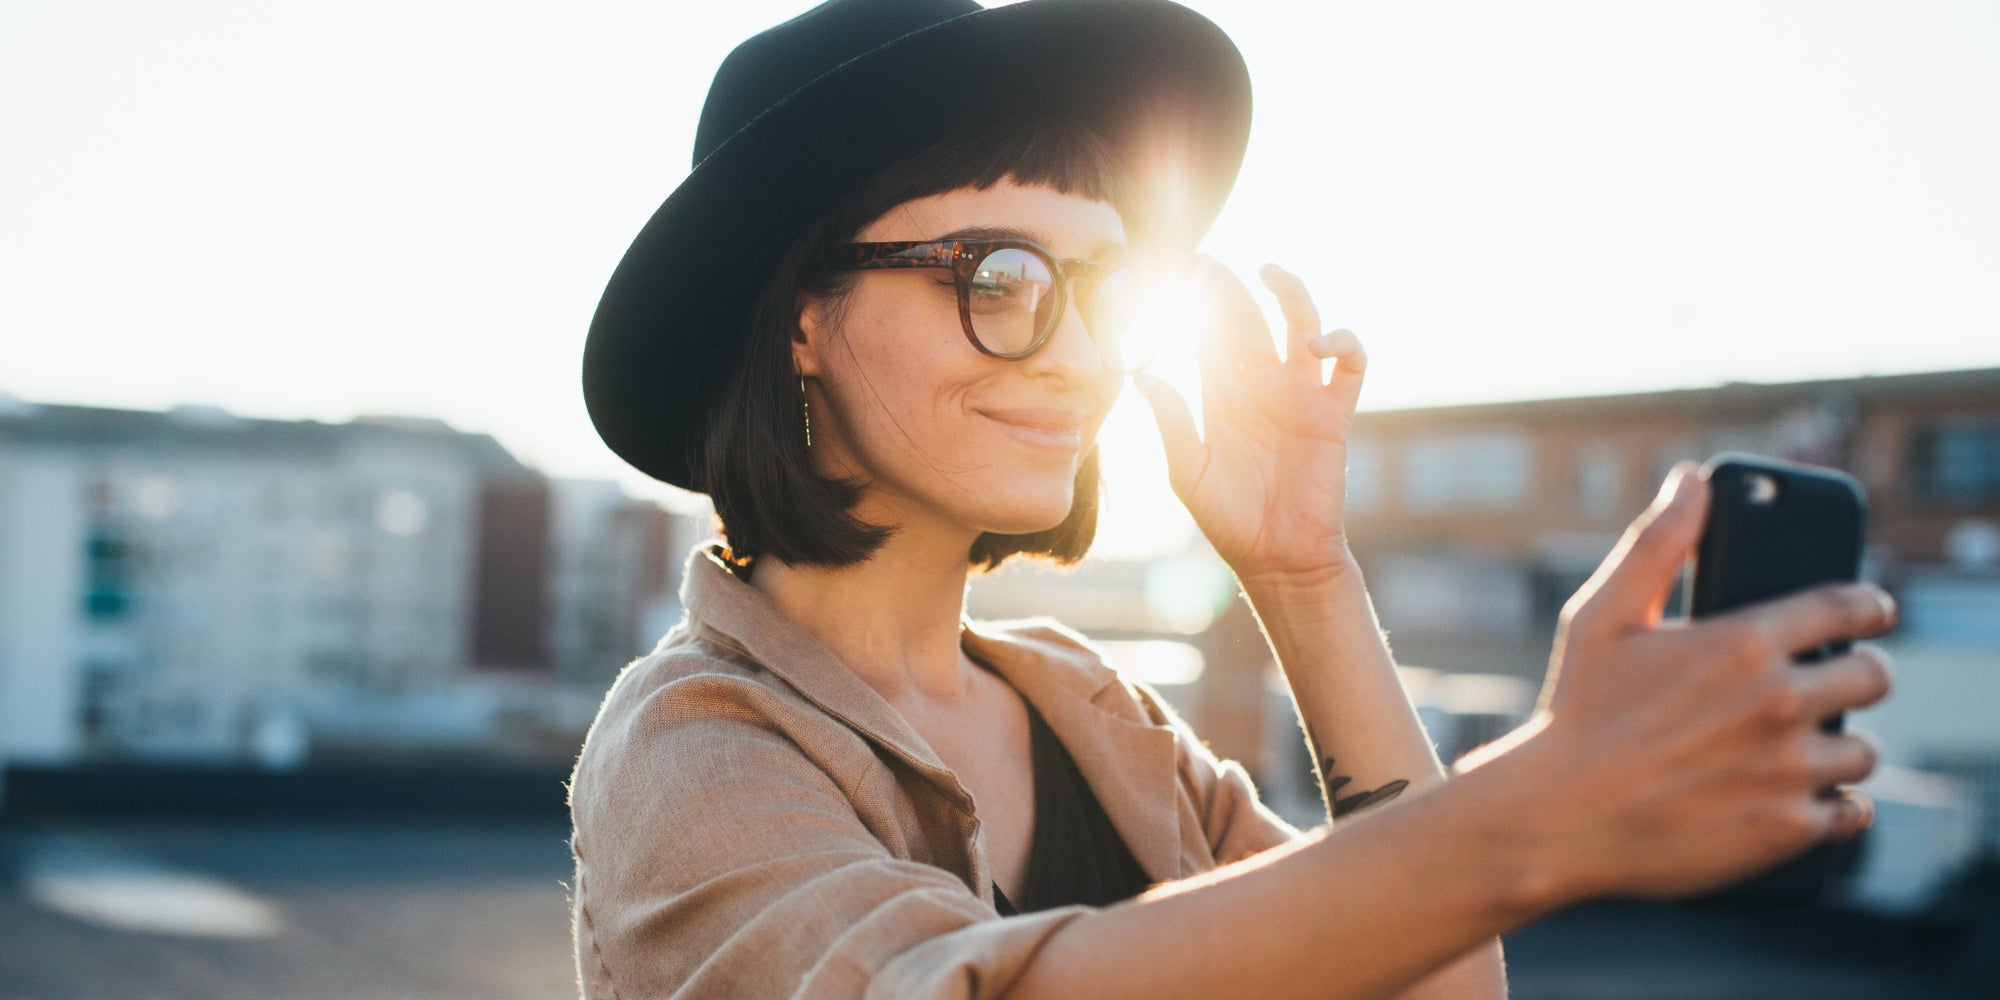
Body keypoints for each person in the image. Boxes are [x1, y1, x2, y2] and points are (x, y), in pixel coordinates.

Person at [565, 2, 1897, 997]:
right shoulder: (689, 746)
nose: (1080, 355)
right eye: (1005, 279)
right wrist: (1544, 805)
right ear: (800, 319)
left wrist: (1302, 577)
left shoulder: (1096, 719)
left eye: (1104, 290)